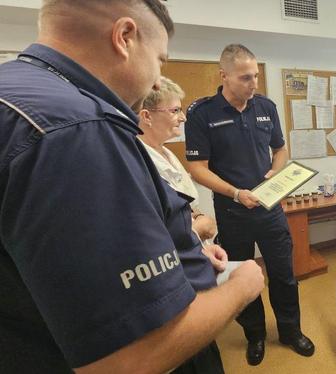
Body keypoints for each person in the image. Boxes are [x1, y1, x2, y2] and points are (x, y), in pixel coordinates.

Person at [0, 1, 265, 373]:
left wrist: (181, 254)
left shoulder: (15, 90)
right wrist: (243, 284)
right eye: (160, 60)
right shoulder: (76, 129)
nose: (157, 81)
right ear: (124, 37)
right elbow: (130, 358)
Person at [185, 43, 314, 366]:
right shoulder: (202, 114)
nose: (254, 83)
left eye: (255, 75)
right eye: (245, 77)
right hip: (233, 213)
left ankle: (290, 330)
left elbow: (280, 149)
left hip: (270, 210)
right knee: (243, 277)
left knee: (284, 274)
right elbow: (197, 168)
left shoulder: (266, 107)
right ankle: (254, 335)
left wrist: (276, 171)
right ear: (223, 76)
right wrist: (236, 192)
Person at [138, 76, 218, 243]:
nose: (183, 118)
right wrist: (198, 229)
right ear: (146, 116)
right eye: (175, 111)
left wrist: (197, 217)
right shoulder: (138, 161)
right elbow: (152, 231)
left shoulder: (165, 152)